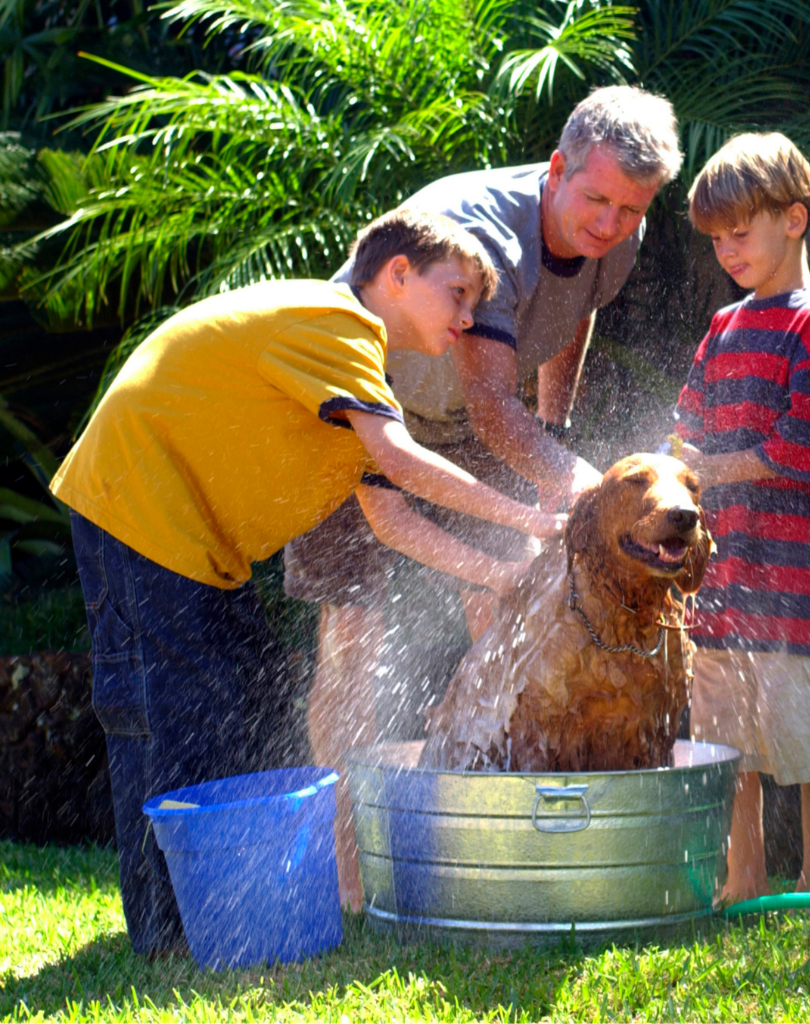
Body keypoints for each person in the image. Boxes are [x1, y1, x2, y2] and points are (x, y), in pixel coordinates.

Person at [49, 208, 564, 955]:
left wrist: (505, 575)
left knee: (246, 692)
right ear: (396, 274)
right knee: (174, 713)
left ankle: (221, 910)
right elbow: (404, 463)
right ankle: (173, 934)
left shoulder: (350, 363)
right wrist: (533, 518)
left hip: (183, 534)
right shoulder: (337, 322)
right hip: (138, 506)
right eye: (456, 293)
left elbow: (391, 520)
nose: (468, 316)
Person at [286, 86, 683, 904]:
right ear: (556, 169)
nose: (610, 223)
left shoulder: (620, 234)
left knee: (513, 603)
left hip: (467, 417)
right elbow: (495, 413)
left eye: (631, 208)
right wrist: (572, 479)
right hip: (353, 410)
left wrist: (558, 418)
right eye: (596, 199)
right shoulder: (487, 236)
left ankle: (492, 838)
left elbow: (579, 308)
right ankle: (351, 872)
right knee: (354, 631)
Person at [672, 132, 810, 902]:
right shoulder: (723, 329)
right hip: (723, 584)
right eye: (715, 239)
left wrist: (705, 468)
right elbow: (686, 426)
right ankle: (742, 883)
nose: (726, 251)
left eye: (739, 232)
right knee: (729, 748)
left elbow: (801, 451)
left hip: (800, 589)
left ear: (793, 218)